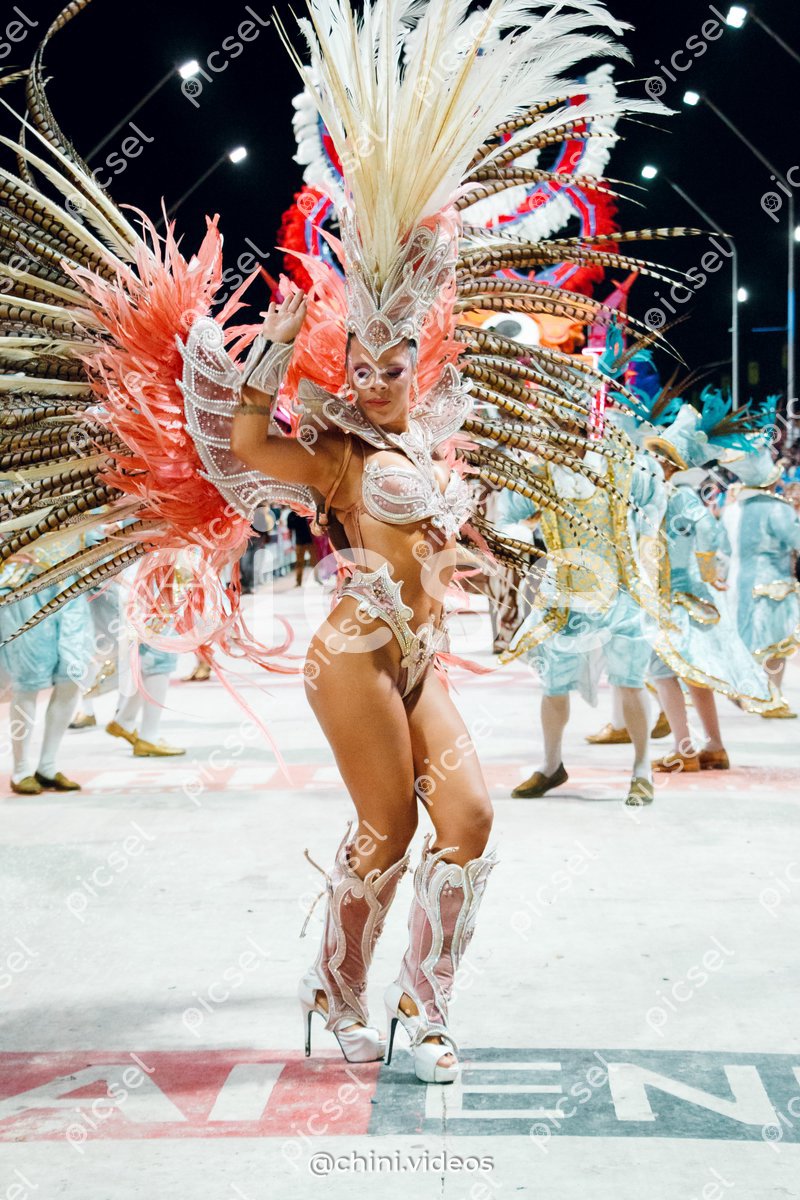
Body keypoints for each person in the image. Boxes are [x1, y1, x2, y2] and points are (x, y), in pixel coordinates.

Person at [497, 441, 666, 807]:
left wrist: (647, 543)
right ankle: (551, 764)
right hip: (565, 600)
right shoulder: (539, 472)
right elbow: (504, 517)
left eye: (568, 423)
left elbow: (655, 495)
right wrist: (524, 544)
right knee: (553, 686)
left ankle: (642, 768)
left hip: (622, 595)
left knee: (630, 682)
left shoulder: (620, 465)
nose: (559, 432)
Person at [643, 408, 774, 770]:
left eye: (657, 456)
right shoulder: (676, 496)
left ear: (667, 463)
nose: (651, 462)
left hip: (670, 599)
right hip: (688, 595)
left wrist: (706, 569)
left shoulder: (667, 497)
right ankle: (714, 747)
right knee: (694, 673)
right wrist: (705, 572)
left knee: (662, 672)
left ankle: (685, 750)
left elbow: (708, 532)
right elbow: (707, 532)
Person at [729, 447, 800, 718]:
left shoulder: (735, 509)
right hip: (773, 584)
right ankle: (771, 699)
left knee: (747, 638)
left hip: (739, 581)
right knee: (776, 644)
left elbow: (722, 546)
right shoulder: (777, 509)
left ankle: (744, 689)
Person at [287, 510, 318, 587]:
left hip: (309, 541)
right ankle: (298, 582)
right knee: (299, 563)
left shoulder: (306, 512)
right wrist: (290, 543)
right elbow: (290, 529)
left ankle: (317, 578)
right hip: (300, 542)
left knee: (314, 561)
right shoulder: (291, 515)